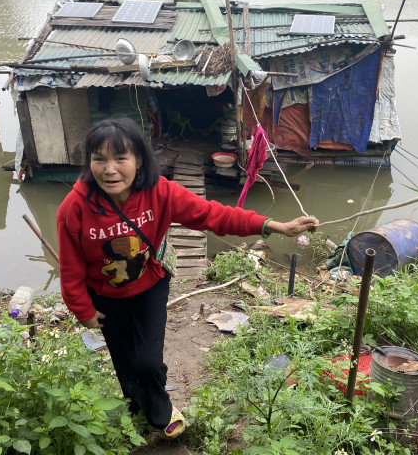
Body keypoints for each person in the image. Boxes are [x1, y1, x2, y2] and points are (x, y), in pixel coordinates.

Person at [56, 116, 318, 439]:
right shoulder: (75, 207)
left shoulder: (160, 193)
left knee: (148, 361)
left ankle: (161, 410)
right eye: (100, 159)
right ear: (90, 163)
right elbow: (70, 267)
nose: (110, 169)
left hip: (150, 284)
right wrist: (82, 309)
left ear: (138, 160)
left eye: (120, 158)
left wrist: (274, 226)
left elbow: (214, 215)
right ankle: (137, 409)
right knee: (124, 362)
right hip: (106, 296)